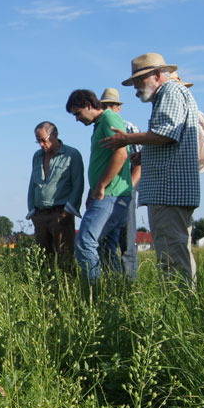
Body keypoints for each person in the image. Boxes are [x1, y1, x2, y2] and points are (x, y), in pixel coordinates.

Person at [102, 53, 201, 289]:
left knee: (171, 255)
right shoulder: (172, 94)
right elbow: (170, 138)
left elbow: (166, 133)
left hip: (169, 189)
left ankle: (180, 307)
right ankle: (185, 305)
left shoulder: (170, 92)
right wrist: (144, 153)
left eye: (138, 80)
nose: (135, 87)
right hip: (172, 189)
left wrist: (126, 139)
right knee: (176, 250)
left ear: (156, 75)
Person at [66, 90, 133, 282]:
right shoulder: (99, 125)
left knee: (85, 243)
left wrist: (101, 185)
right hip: (105, 194)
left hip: (110, 194)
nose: (77, 119)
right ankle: (116, 290)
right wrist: (93, 189)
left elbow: (121, 154)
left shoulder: (109, 119)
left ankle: (92, 292)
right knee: (105, 246)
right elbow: (103, 160)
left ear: (89, 105)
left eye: (77, 113)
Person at [27, 121, 84, 269]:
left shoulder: (72, 155)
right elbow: (32, 184)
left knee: (65, 259)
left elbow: (78, 185)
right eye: (38, 141)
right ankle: (45, 290)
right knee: (42, 261)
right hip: (40, 215)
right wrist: (32, 212)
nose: (41, 144)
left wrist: (68, 212)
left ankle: (66, 289)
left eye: (43, 140)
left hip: (61, 214)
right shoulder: (37, 157)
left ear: (55, 135)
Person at [99, 87, 141, 279]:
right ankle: (113, 280)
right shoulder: (100, 128)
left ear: (118, 108)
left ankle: (130, 284)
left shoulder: (129, 128)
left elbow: (141, 163)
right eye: (104, 106)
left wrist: (129, 187)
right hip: (107, 192)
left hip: (125, 190)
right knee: (105, 239)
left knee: (127, 240)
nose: (108, 109)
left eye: (111, 105)